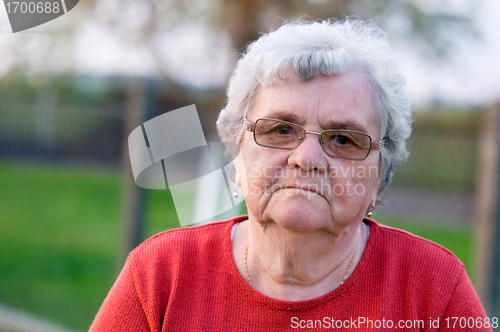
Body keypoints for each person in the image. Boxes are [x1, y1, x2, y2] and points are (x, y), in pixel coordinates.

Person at [90, 19, 491, 331]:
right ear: (237, 156)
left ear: (379, 173)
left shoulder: (434, 289)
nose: (306, 158)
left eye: (343, 139)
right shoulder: (161, 273)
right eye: (280, 129)